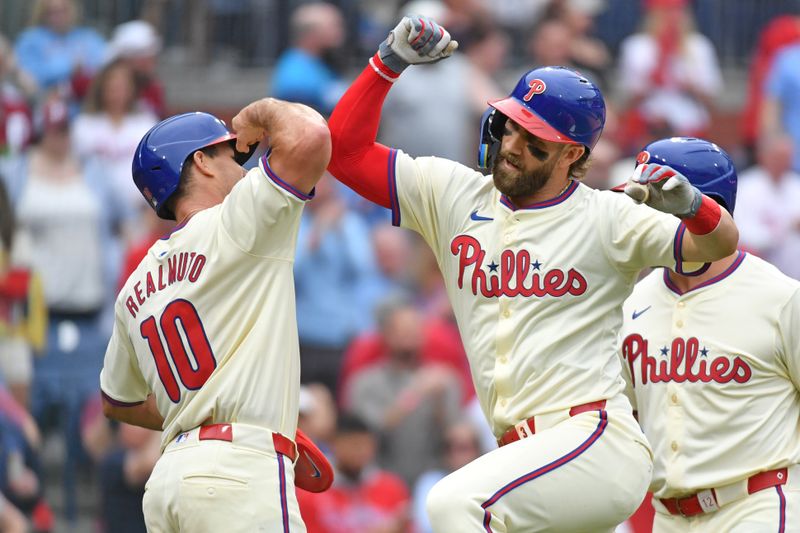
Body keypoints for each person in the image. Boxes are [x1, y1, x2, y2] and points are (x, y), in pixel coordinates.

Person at [326, 14, 739, 532]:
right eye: (511, 125)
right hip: (527, 459)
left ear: (573, 154)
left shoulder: (609, 217)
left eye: (536, 139)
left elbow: (718, 243)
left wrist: (695, 206)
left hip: (592, 440)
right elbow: (342, 152)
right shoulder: (451, 194)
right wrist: (386, 64)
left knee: (453, 504)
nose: (515, 146)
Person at [99, 97, 331, 532]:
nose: (243, 167)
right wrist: (256, 114)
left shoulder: (134, 285)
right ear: (201, 161)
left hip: (169, 482)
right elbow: (311, 137)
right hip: (240, 472)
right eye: (231, 152)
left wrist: (197, 411)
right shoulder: (237, 220)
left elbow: (118, 402)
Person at [618, 137, 800, 531]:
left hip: (756, 506)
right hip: (668, 516)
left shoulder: (781, 297)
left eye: (651, 204)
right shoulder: (631, 303)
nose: (638, 220)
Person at [296, 414, 411, 533]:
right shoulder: (311, 491)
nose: (361, 452)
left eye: (366, 445)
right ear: (334, 444)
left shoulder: (392, 487)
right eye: (354, 444)